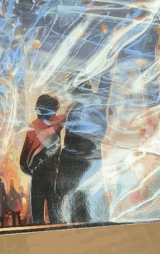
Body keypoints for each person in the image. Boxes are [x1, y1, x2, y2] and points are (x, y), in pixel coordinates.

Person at [55, 80, 108, 223]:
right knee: (81, 207)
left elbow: (74, 140)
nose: (70, 94)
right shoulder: (76, 106)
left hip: (83, 162)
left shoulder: (92, 103)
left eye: (71, 91)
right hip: (80, 163)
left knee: (87, 208)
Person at [20, 94, 66, 225]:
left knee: (37, 217)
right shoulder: (56, 125)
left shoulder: (32, 128)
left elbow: (23, 160)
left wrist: (31, 171)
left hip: (36, 177)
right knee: (55, 216)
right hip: (52, 175)